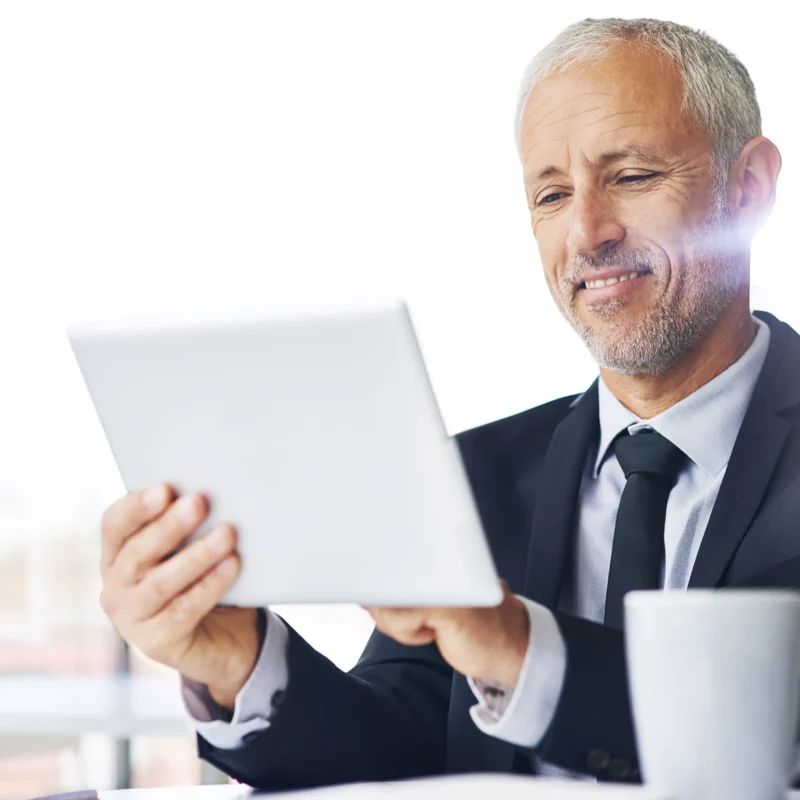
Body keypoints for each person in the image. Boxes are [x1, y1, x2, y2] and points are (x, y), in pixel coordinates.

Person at [98, 16, 796, 790]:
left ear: (748, 188)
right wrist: (240, 661)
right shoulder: (470, 475)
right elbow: (408, 750)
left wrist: (518, 649)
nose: (586, 233)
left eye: (631, 177)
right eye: (552, 194)